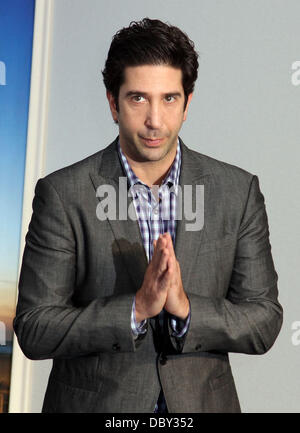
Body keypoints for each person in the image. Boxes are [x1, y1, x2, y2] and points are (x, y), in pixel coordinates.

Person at [14, 18, 283, 413]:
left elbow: (263, 320)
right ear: (113, 102)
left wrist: (186, 309)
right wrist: (135, 309)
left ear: (188, 104)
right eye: (138, 98)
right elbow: (35, 327)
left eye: (169, 99)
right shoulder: (62, 193)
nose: (155, 120)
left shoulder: (236, 192)